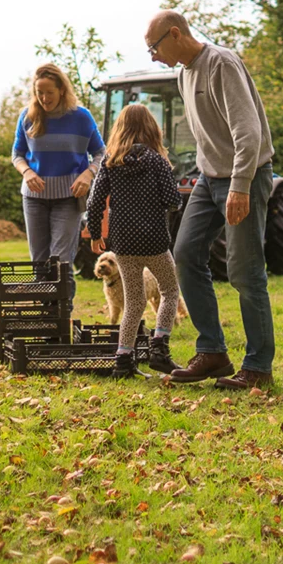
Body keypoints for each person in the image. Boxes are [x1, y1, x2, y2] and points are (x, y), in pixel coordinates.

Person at [145, 8, 278, 390]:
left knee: (244, 271)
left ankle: (258, 367)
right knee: (184, 254)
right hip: (209, 177)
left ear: (175, 34)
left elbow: (248, 132)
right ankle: (213, 353)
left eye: (154, 47)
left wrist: (239, 185)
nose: (153, 55)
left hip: (245, 176)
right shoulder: (183, 73)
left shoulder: (221, 63)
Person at [84, 103, 184, 377]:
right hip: (153, 241)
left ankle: (123, 362)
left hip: (124, 244)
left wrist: (95, 234)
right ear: (151, 129)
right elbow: (173, 200)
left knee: (134, 302)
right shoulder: (156, 160)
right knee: (169, 291)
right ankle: (159, 349)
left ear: (120, 129)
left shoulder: (109, 162)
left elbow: (94, 203)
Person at [11, 63, 104, 265]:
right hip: (34, 198)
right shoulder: (28, 117)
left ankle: (63, 298)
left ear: (62, 90)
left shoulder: (81, 117)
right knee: (39, 261)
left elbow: (100, 153)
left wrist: (88, 174)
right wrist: (27, 172)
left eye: (49, 92)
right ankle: (45, 298)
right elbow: (17, 154)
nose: (44, 98)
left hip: (69, 198)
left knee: (61, 261)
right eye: (39, 93)